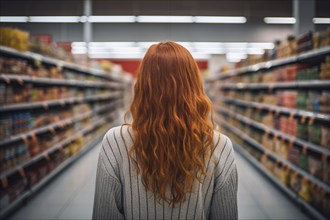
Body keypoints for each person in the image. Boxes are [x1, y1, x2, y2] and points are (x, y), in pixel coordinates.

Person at [92, 41, 238, 220]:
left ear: (142, 87)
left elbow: (104, 214)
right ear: (195, 87)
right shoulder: (220, 146)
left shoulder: (115, 142)